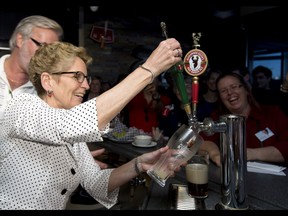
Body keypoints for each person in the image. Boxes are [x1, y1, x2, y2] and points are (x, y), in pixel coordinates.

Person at [0, 39, 184, 209]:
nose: (86, 86)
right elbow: (69, 124)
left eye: (86, 78)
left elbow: (96, 183)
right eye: (77, 76)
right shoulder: (21, 107)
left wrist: (138, 164)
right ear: (48, 81)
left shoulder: (74, 136)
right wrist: (149, 70)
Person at [199, 72, 288, 167]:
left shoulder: (272, 114)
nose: (230, 93)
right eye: (223, 91)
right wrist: (215, 154)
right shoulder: (217, 118)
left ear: (246, 89)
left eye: (234, 87)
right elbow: (201, 141)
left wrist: (249, 154)